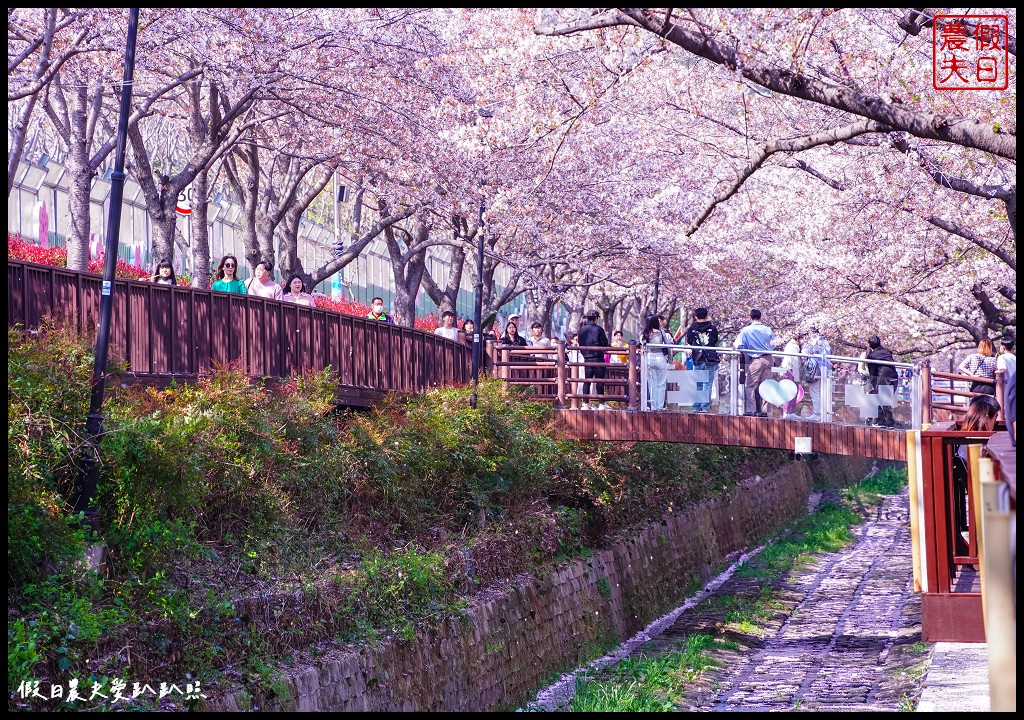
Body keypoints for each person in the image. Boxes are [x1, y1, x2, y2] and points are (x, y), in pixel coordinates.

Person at [733, 309, 774, 417]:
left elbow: (738, 345)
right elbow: (773, 344)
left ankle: (750, 410)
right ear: (761, 318)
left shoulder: (746, 330)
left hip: (756, 360)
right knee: (766, 385)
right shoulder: (768, 329)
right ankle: (765, 411)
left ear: (749, 317)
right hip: (769, 358)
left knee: (750, 385)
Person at [685, 307, 721, 413]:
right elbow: (715, 340)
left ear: (695, 317)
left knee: (698, 383)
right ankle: (705, 406)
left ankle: (696, 406)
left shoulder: (691, 329)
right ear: (706, 316)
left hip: (697, 358)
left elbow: (690, 341)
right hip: (710, 358)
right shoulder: (713, 328)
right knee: (708, 383)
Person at [578, 309, 610, 410]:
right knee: (599, 381)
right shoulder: (599, 329)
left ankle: (585, 403)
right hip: (598, 358)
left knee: (587, 381)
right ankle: (601, 403)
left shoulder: (581, 330)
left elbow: (580, 344)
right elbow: (604, 343)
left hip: (587, 358)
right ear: (596, 318)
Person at [866, 335, 899, 427]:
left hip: (883, 378)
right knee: (884, 400)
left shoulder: (871, 356)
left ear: (869, 345)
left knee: (879, 399)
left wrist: (873, 385)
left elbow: (872, 372)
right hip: (894, 377)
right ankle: (884, 421)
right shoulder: (887, 352)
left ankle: (884, 422)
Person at [641, 314, 671, 411]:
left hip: (649, 358)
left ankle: (652, 406)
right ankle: (659, 406)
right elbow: (668, 344)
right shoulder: (661, 332)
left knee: (652, 383)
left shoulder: (644, 334)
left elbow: (643, 346)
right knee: (661, 384)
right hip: (660, 358)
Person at [801, 327, 832, 421]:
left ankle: (817, 414)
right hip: (825, 369)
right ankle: (824, 414)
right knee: (822, 392)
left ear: (811, 333)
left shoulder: (812, 342)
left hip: (814, 369)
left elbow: (804, 353)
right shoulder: (825, 342)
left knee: (815, 393)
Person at [780, 331, 803, 418]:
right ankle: (789, 412)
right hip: (791, 371)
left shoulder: (790, 345)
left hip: (787, 370)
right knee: (792, 391)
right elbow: (795, 362)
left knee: (788, 391)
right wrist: (797, 377)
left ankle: (787, 412)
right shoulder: (794, 346)